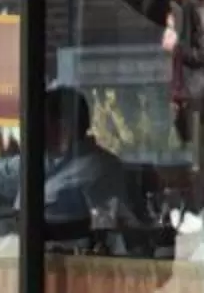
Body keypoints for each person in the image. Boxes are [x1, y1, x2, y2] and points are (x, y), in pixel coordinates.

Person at [42, 87, 140, 242]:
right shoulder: (38, 162)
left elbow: (109, 228)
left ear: (62, 126)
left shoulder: (100, 169)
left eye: (42, 122)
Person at [162, 0, 204, 144]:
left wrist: (176, 47)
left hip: (193, 88)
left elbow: (202, 54)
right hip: (185, 86)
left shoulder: (196, 9)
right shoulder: (181, 8)